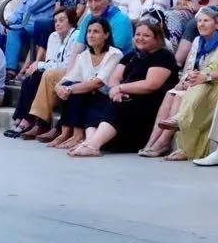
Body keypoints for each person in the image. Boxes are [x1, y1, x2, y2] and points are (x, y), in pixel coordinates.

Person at [69, 17, 178, 157]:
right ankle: (90, 142)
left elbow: (151, 84)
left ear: (157, 38)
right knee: (98, 105)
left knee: (119, 106)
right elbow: (115, 78)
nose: (140, 38)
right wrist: (116, 91)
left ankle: (92, 145)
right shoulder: (132, 55)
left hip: (147, 106)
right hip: (126, 100)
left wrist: (121, 89)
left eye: (146, 35)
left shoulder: (163, 56)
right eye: (138, 34)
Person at [144, 6, 218, 159]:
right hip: (198, 82)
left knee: (180, 95)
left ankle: (165, 142)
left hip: (213, 84)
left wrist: (205, 77)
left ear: (216, 24)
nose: (201, 24)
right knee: (171, 93)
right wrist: (187, 78)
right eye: (199, 21)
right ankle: (152, 142)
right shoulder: (197, 41)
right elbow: (189, 67)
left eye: (206, 21)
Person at [51, 18, 125, 151]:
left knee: (74, 90)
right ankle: (65, 133)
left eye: (96, 31)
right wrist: (59, 87)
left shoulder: (114, 54)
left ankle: (78, 136)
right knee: (69, 85)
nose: (91, 35)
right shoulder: (83, 56)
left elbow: (98, 83)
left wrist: (68, 89)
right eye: (89, 31)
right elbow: (67, 79)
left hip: (105, 98)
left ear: (106, 35)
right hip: (89, 95)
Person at [6, 8, 80, 140]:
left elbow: (67, 65)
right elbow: (50, 61)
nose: (57, 23)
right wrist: (41, 66)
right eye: (56, 21)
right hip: (53, 70)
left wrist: (39, 65)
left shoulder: (76, 36)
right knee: (31, 79)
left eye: (62, 20)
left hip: (70, 73)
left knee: (44, 74)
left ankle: (36, 122)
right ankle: (22, 117)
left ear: (71, 22)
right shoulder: (53, 36)